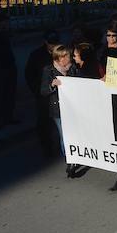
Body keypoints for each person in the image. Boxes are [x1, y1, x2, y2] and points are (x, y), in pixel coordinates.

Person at [40, 45, 80, 173]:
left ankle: (78, 156)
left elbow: (82, 82)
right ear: (57, 58)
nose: (65, 59)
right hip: (58, 110)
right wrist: (52, 85)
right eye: (62, 57)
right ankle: (70, 161)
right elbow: (43, 91)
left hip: (73, 107)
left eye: (67, 56)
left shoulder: (73, 68)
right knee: (65, 135)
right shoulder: (49, 70)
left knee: (76, 133)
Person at [25, 29, 60, 155]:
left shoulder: (61, 52)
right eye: (51, 43)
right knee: (44, 122)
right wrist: (37, 91)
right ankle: (47, 148)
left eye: (55, 43)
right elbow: (29, 75)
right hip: (44, 94)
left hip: (60, 93)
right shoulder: (36, 55)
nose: (53, 45)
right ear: (45, 42)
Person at [0, 10, 18, 129]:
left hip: (8, 67)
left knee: (9, 93)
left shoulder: (4, 34)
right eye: (4, 22)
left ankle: (7, 117)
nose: (7, 24)